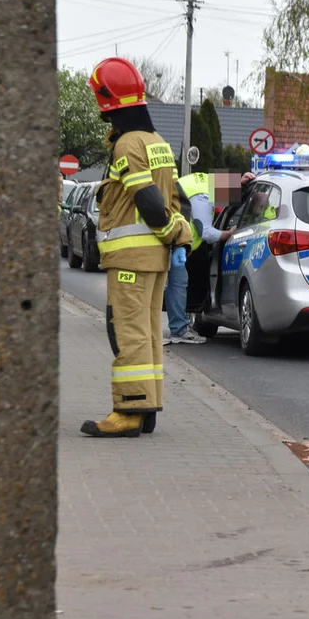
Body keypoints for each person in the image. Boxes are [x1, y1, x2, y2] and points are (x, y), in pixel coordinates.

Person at [80, 57, 192, 438]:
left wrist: (171, 234)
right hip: (156, 261)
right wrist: (179, 238)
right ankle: (147, 408)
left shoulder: (127, 145)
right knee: (146, 332)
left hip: (131, 259)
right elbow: (176, 199)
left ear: (108, 105)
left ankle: (127, 412)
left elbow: (147, 201)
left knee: (126, 331)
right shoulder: (157, 142)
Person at [163, 171, 235, 344]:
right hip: (174, 242)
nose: (221, 206)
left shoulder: (202, 181)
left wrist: (240, 182)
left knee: (174, 284)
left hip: (171, 239)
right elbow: (206, 232)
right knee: (178, 284)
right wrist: (229, 233)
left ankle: (177, 328)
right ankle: (179, 331)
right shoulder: (202, 197)